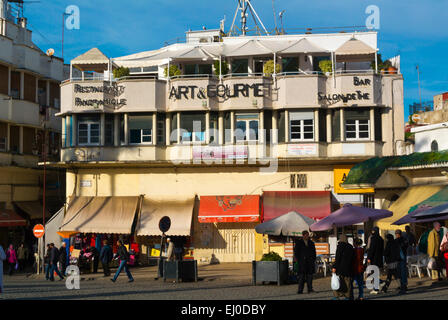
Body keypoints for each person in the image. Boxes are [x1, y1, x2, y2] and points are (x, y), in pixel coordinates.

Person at [332, 235, 354, 300]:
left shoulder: (340, 246)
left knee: (337, 282)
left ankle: (337, 296)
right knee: (347, 283)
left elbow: (337, 258)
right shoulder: (350, 247)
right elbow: (353, 258)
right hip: (348, 268)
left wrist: (334, 267)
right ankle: (347, 296)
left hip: (340, 268)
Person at [367, 227, 384, 294]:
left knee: (374, 274)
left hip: (374, 258)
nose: (372, 232)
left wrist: (369, 257)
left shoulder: (373, 239)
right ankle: (378, 286)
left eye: (373, 231)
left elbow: (372, 249)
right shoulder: (381, 239)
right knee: (376, 273)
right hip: (379, 258)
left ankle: (376, 288)